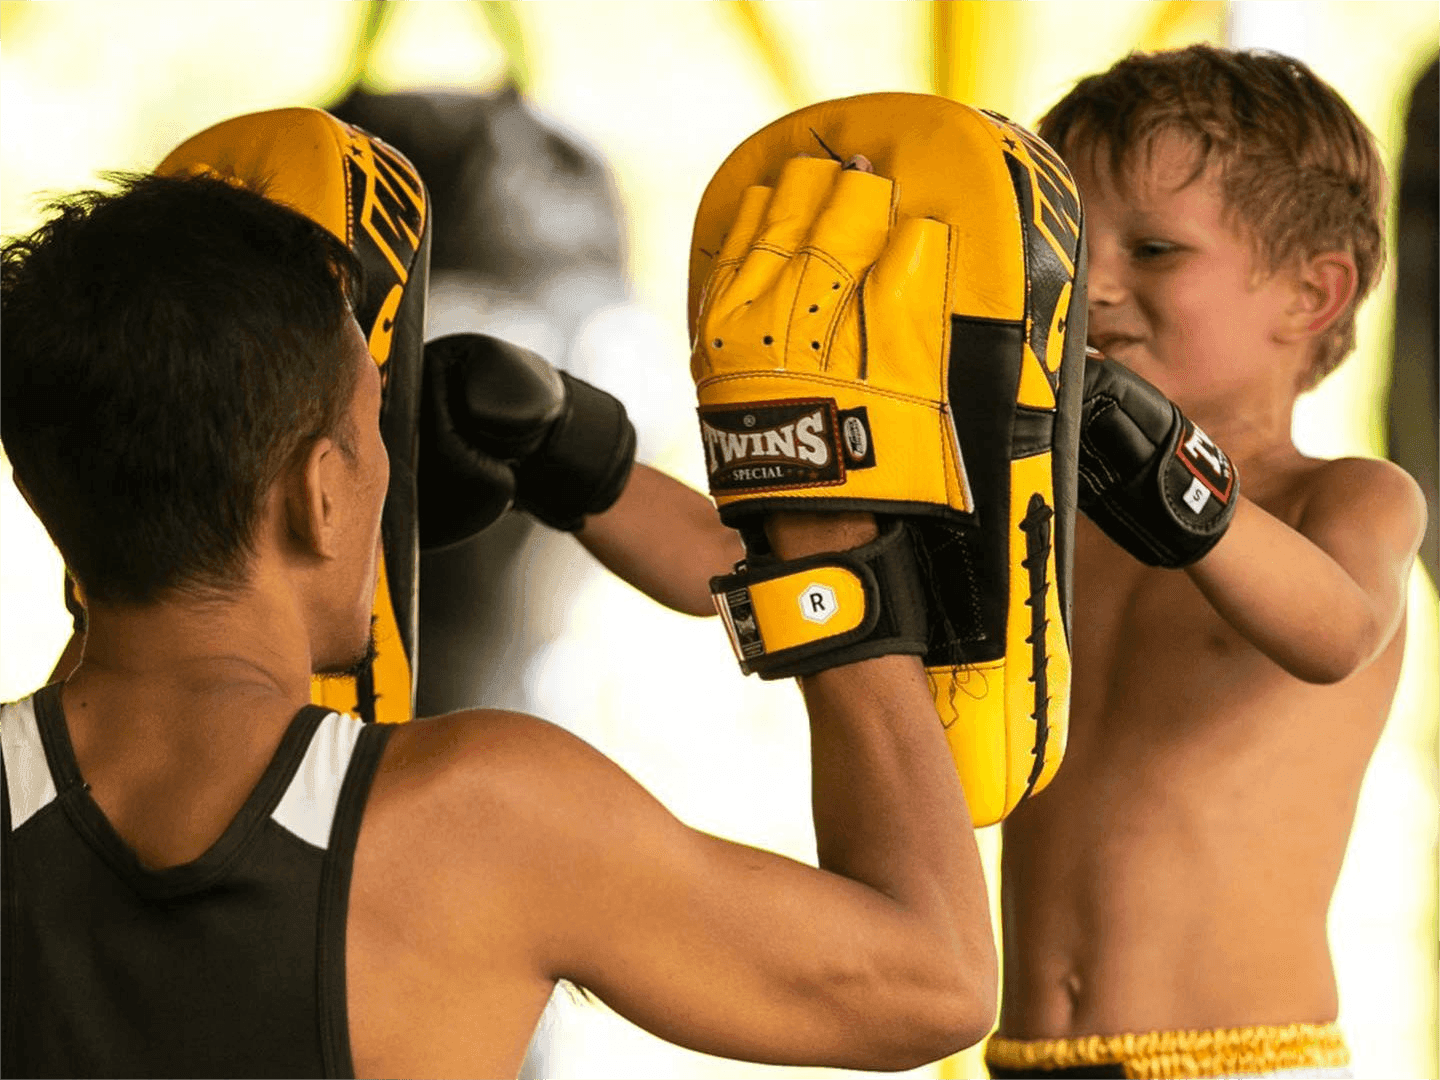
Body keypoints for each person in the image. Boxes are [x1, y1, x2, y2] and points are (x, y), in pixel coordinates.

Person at [0, 168, 999, 1077]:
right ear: (319, 495)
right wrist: (820, 535)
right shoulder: (484, 818)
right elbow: (934, 982)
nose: (391, 466)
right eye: (367, 430)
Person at [981, 45, 1428, 1079]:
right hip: (1022, 1058)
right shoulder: (1045, 512)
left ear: (1311, 295)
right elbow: (746, 576)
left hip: (1243, 1061)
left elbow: (1337, 632)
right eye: (1073, 247)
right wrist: (571, 454)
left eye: (1154, 249)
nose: (1093, 286)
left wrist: (1174, 483)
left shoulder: (1347, 497)